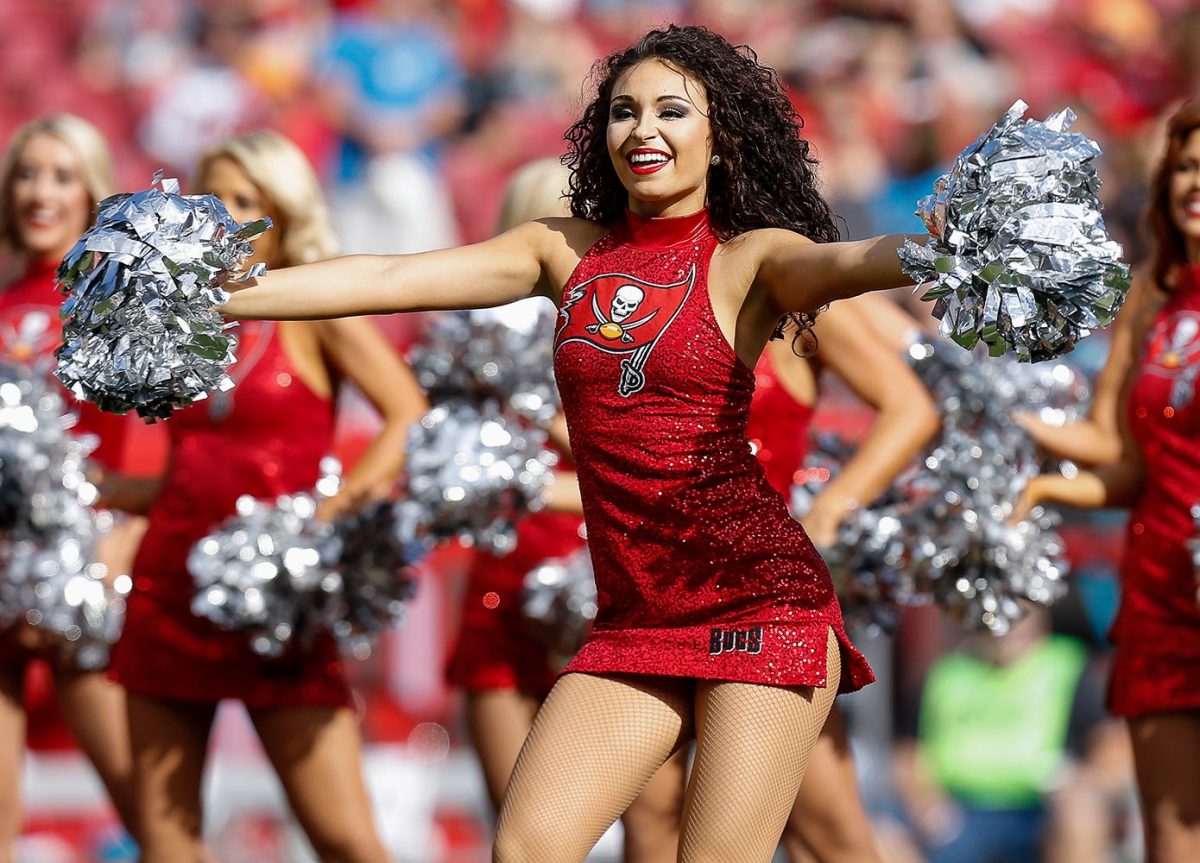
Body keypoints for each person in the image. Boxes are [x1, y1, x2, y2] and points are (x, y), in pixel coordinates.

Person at [220, 25, 943, 862]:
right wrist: (213, 293)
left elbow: (851, 261)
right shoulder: (563, 251)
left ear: (721, 140)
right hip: (636, 612)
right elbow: (386, 278)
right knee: (528, 845)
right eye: (624, 112)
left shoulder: (750, 260)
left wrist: (955, 246)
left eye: (672, 111)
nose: (644, 130)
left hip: (759, 602)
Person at [104, 130, 428, 863]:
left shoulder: (317, 307)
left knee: (345, 838)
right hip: (167, 587)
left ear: (283, 216)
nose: (225, 217)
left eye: (246, 201)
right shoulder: (178, 320)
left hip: (279, 599)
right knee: (166, 840)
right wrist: (96, 488)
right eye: (210, 199)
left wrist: (326, 517)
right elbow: (192, 468)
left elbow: (408, 413)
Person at [448, 157, 685, 861]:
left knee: (652, 822)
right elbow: (451, 471)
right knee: (521, 836)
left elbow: (652, 465)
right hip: (506, 584)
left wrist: (543, 438)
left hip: (619, 588)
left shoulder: (639, 333)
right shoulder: (478, 340)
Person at [1015, 101, 1200, 863]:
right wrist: (1017, 432)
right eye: (1186, 166)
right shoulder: (1151, 302)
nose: (1196, 183)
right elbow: (1116, 454)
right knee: (1171, 838)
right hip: (1160, 597)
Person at [0, 113, 139, 858]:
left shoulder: (111, 303)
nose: (40, 192)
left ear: (91, 191)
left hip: (84, 570)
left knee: (151, 813)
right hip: (1, 567)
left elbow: (147, 445)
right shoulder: (0, 298)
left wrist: (114, 554)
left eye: (60, 175)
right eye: (26, 173)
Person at [760, 293, 939, 863]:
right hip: (649, 602)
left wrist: (825, 512)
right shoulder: (637, 298)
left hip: (761, 607)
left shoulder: (783, 283)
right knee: (657, 832)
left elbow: (913, 404)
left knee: (833, 840)